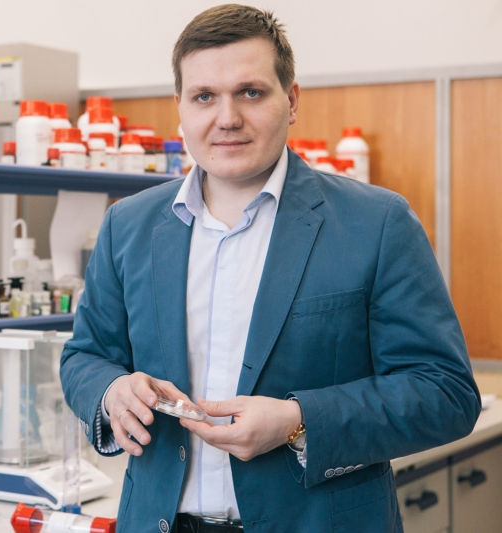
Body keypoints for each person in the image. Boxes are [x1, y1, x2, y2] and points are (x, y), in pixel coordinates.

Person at [60, 4, 481, 532]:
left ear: (292, 100)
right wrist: (111, 392)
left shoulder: (376, 223)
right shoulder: (129, 224)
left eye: (250, 92)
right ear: (180, 108)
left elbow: (445, 392)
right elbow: (85, 356)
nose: (227, 118)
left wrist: (297, 422)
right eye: (204, 96)